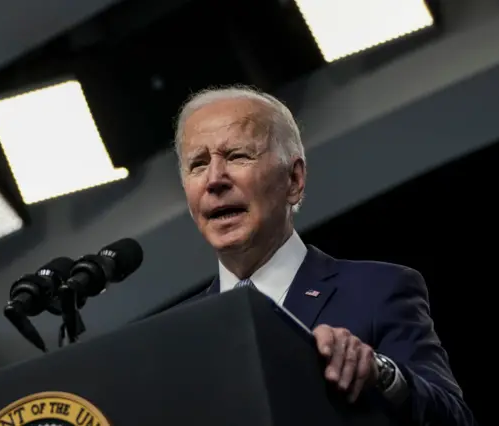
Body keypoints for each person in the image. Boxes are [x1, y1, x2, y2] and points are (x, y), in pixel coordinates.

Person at [174, 85, 475, 426]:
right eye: (197, 164)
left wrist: (383, 373)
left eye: (238, 156)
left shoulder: (379, 290)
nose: (214, 179)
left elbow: (455, 421)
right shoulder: (176, 336)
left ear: (294, 179)